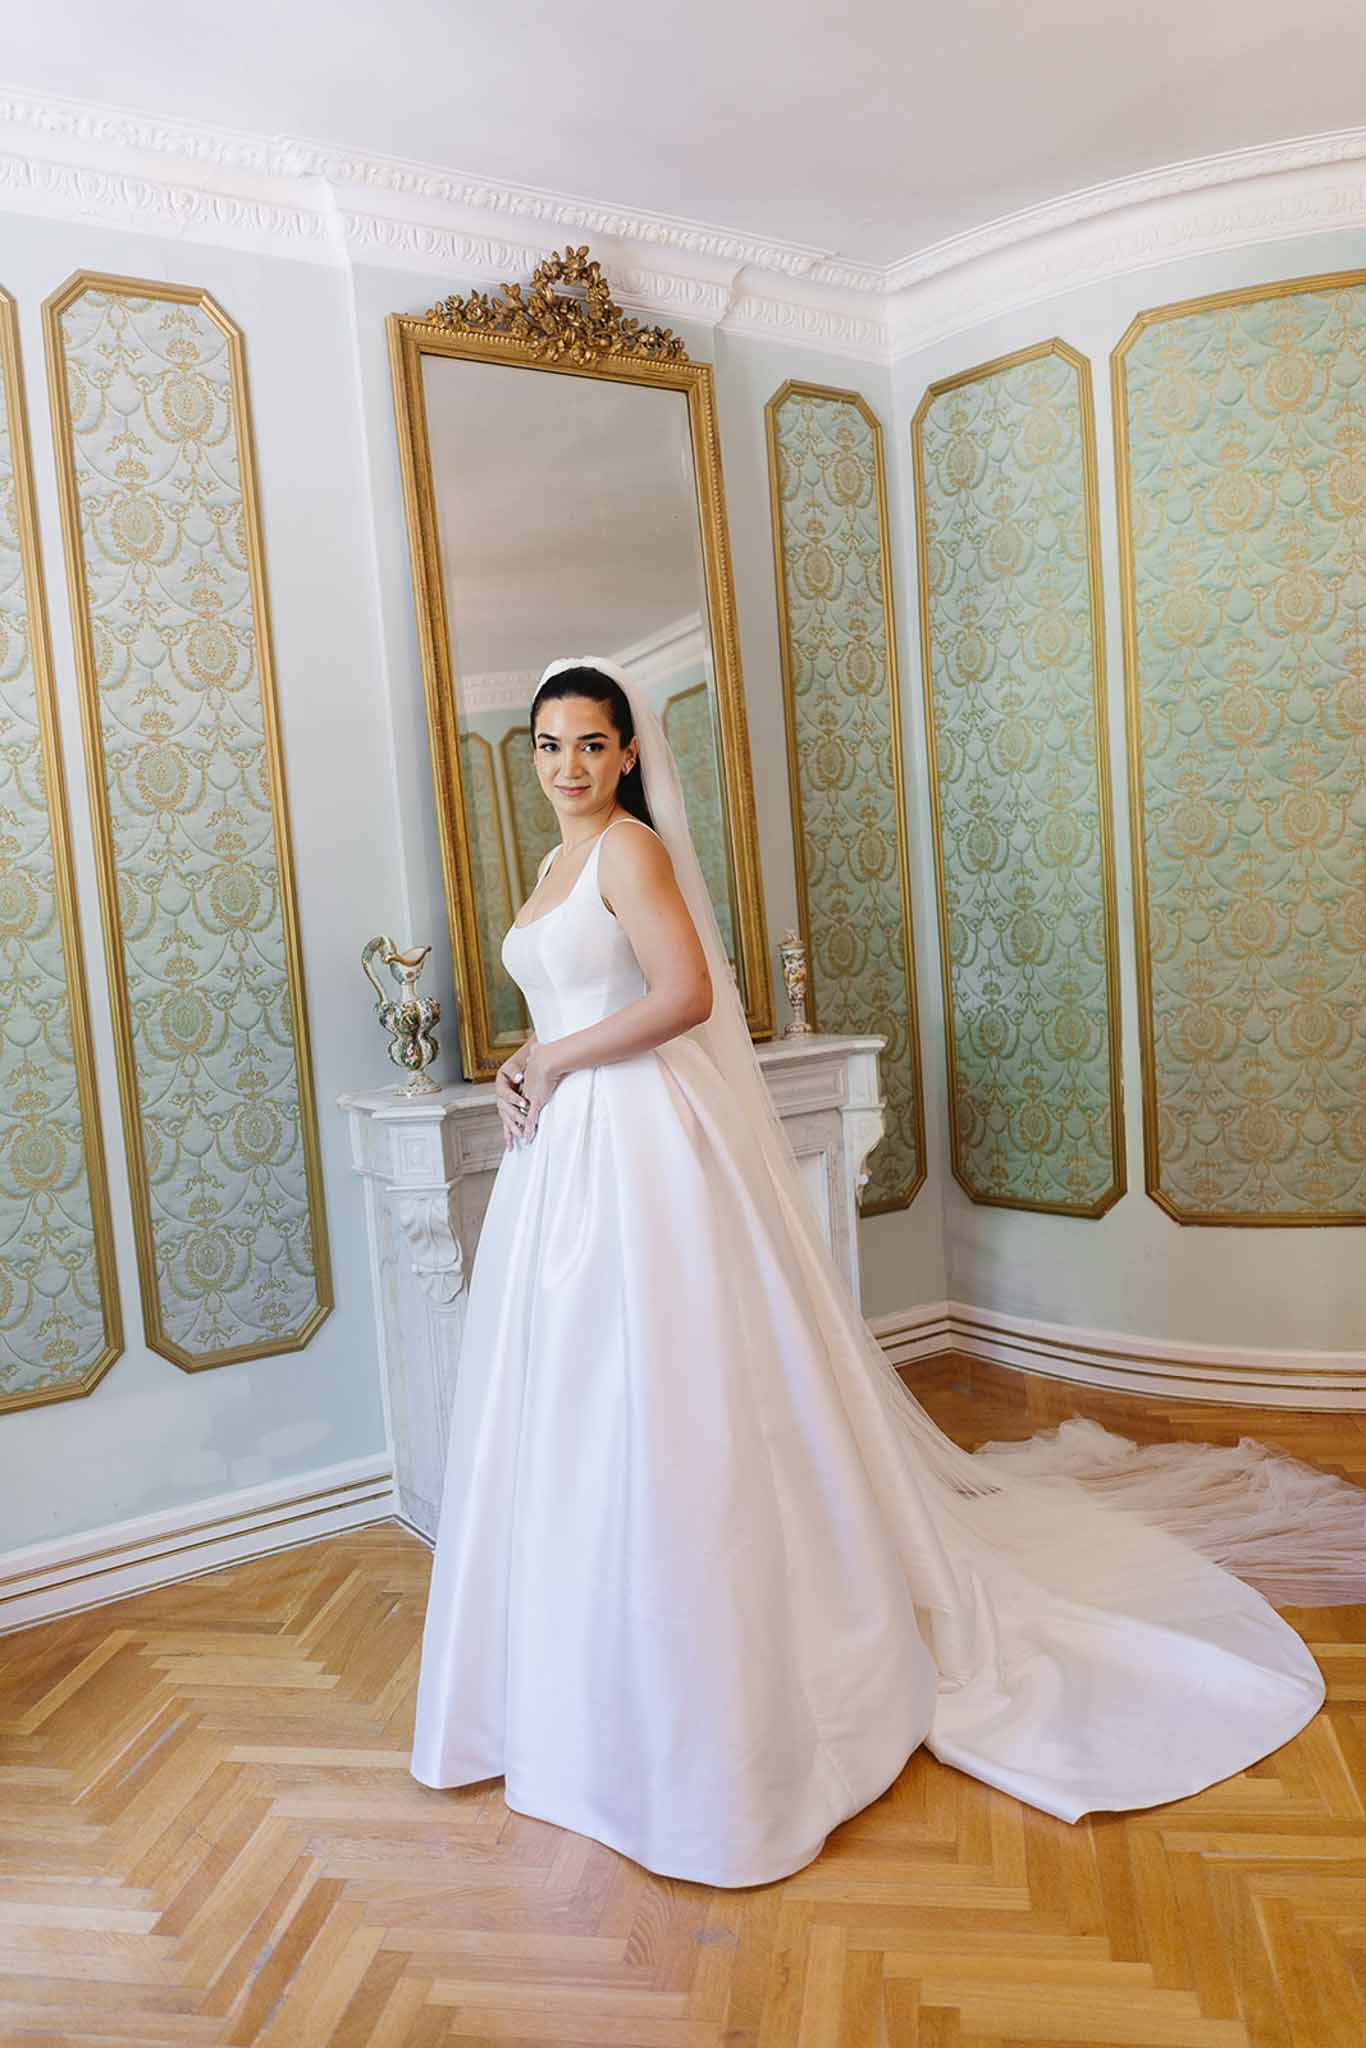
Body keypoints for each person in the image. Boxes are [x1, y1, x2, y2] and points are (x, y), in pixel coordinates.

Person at [410, 654, 1366, 1889]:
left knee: (663, 1387)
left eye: (590, 744)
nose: (568, 766)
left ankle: (715, 1673)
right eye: (548, 745)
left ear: (629, 753)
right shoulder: (548, 867)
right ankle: (584, 1682)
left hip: (636, 1138)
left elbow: (687, 992)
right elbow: (567, 1000)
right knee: (581, 1398)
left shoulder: (630, 853)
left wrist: (562, 1057)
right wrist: (522, 1063)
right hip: (569, 1150)